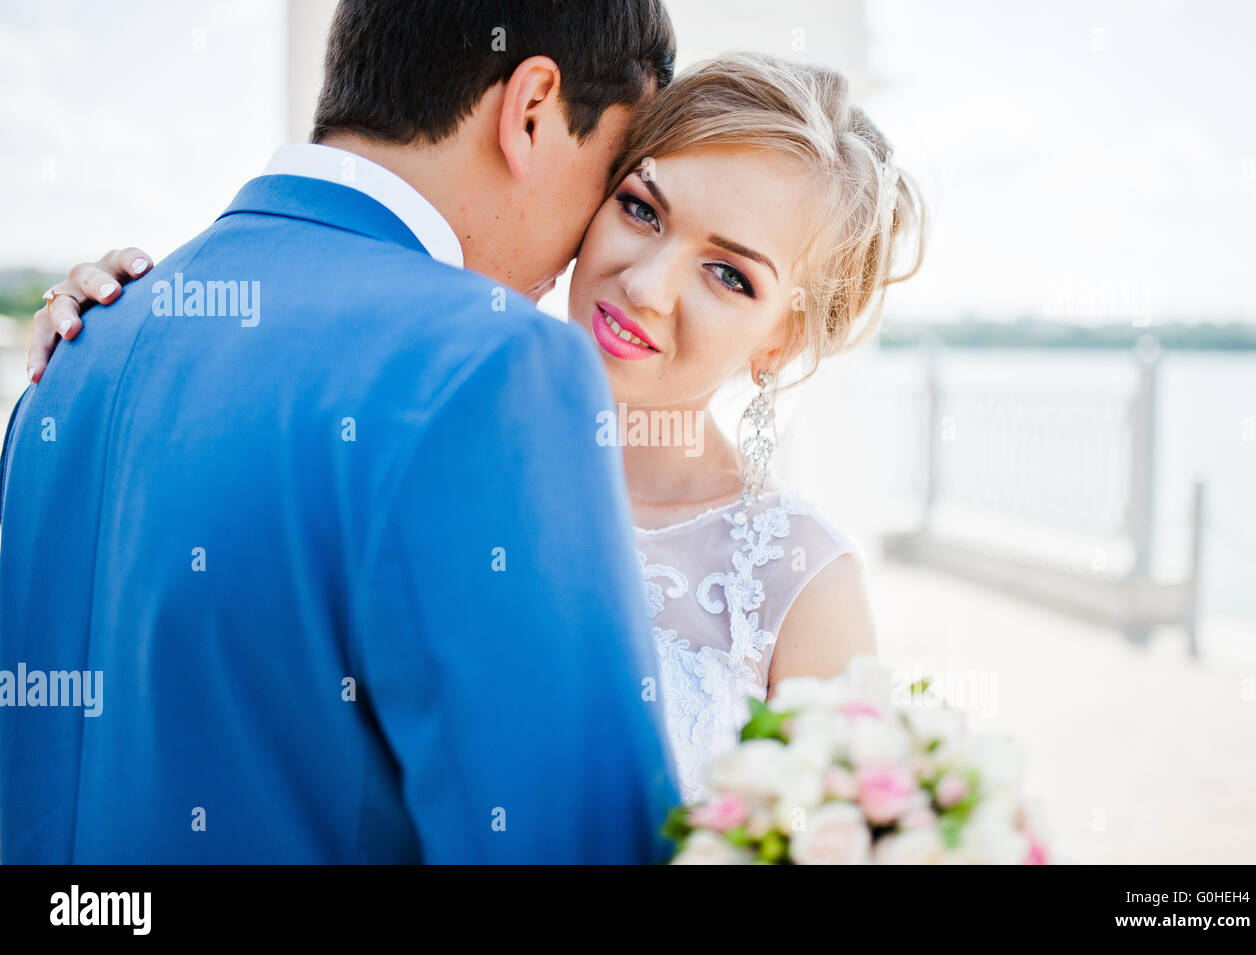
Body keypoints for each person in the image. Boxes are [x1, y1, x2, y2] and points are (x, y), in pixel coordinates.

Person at [24, 51, 925, 806]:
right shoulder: (422, 433)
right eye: (642, 209)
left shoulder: (800, 587)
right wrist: (123, 338)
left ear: (786, 338)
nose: (646, 284)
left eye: (730, 275)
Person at [0, 0, 680, 864]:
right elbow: (576, 842)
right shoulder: (494, 367)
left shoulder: (76, 348)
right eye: (610, 173)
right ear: (533, 108)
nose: (591, 239)